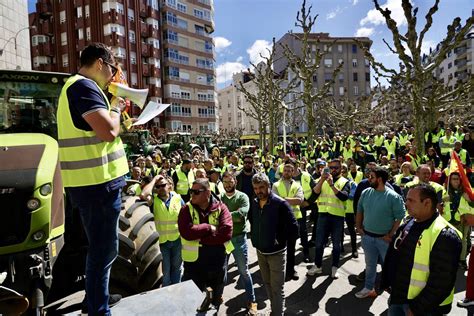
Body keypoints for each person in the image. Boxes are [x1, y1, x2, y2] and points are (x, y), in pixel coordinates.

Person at [57, 43, 129, 315]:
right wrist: (116, 107)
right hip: (97, 185)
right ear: (100, 63)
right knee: (103, 251)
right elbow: (108, 132)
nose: (112, 76)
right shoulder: (83, 87)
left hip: (93, 184)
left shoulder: (78, 88)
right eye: (112, 69)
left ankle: (97, 297)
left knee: (99, 248)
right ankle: (99, 309)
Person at [382, 184, 461, 315]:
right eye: (406, 199)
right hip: (398, 298)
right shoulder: (409, 222)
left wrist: (416, 309)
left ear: (427, 203)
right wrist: (386, 282)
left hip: (422, 308)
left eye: (411, 200)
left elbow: (442, 281)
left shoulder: (445, 235)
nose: (406, 203)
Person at [178, 178, 233, 311]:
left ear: (208, 193)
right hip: (194, 265)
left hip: (217, 263)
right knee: (191, 300)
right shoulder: (186, 209)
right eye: (191, 191)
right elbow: (186, 232)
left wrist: (200, 238)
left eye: (196, 192)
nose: (192, 194)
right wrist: (208, 228)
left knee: (215, 301)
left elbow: (226, 233)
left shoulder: (221, 207)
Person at [248, 173, 298, 315]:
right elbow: (252, 220)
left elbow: (294, 228)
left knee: (277, 288)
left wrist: (278, 240)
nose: (259, 191)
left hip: (276, 253)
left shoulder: (280, 204)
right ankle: (275, 310)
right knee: (268, 285)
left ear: (268, 186)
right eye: (256, 188)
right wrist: (255, 237)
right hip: (260, 251)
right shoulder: (255, 202)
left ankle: (277, 313)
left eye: (262, 187)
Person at [355, 167, 405, 299]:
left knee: (389, 267)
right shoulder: (366, 192)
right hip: (367, 237)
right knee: (370, 265)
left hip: (384, 240)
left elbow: (400, 217)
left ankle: (394, 292)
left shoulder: (393, 196)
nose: (368, 179)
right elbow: (359, 210)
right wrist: (358, 227)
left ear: (380, 179)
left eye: (371, 177)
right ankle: (368, 288)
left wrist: (390, 234)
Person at [220, 172, 257, 315]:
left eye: (230, 181)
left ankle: (252, 301)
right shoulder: (220, 197)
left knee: (244, 271)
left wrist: (223, 215)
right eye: (225, 182)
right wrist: (231, 215)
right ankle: (218, 296)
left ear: (235, 181)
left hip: (239, 239)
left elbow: (242, 215)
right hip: (223, 239)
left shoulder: (243, 197)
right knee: (221, 271)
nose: (228, 184)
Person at [307, 159, 350, 279]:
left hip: (337, 216)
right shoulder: (320, 180)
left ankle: (334, 267)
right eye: (330, 168)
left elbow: (344, 197)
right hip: (323, 215)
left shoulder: (345, 182)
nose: (333, 170)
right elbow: (312, 197)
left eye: (336, 167)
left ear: (341, 169)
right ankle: (317, 265)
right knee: (319, 243)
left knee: (336, 245)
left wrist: (332, 185)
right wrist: (321, 180)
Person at [140, 175, 184, 286]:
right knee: (165, 272)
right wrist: (154, 180)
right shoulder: (153, 200)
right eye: (157, 186)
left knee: (177, 269)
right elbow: (143, 195)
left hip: (177, 241)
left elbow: (186, 217)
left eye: (163, 185)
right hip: (162, 243)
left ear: (169, 186)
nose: (160, 188)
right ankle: (166, 294)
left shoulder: (178, 198)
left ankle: (176, 292)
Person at [272, 160, 303, 281]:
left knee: (291, 248)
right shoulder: (275, 185)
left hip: (293, 221)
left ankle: (291, 270)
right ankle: (281, 271)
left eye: (290, 170)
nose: (287, 172)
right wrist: (290, 200)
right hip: (280, 222)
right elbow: (274, 201)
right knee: (280, 249)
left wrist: (283, 199)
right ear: (282, 171)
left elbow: (300, 200)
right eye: (285, 170)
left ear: (293, 172)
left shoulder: (297, 184)